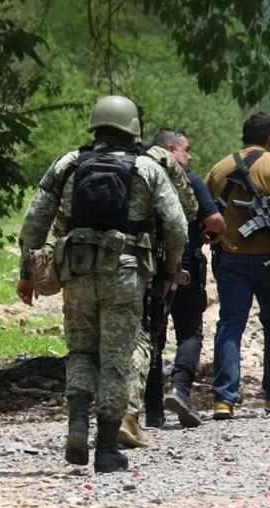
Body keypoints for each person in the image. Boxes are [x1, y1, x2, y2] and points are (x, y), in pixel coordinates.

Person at [17, 95, 187, 473]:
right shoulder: (146, 167)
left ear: (95, 127)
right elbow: (177, 227)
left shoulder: (68, 164)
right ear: (132, 131)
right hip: (125, 274)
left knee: (80, 352)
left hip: (75, 270)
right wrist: (169, 271)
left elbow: (33, 224)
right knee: (115, 362)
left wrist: (27, 273)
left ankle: (77, 423)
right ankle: (107, 449)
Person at [204, 112, 270, 419]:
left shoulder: (218, 168)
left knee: (230, 324)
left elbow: (206, 215)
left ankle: (223, 399)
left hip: (230, 260)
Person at [152, 128, 224, 427]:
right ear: (172, 149)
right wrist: (211, 232)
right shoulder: (188, 179)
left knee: (153, 334)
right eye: (186, 148)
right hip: (184, 267)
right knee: (190, 332)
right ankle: (180, 388)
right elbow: (215, 221)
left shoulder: (141, 177)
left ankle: (152, 410)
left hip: (149, 267)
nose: (189, 155)